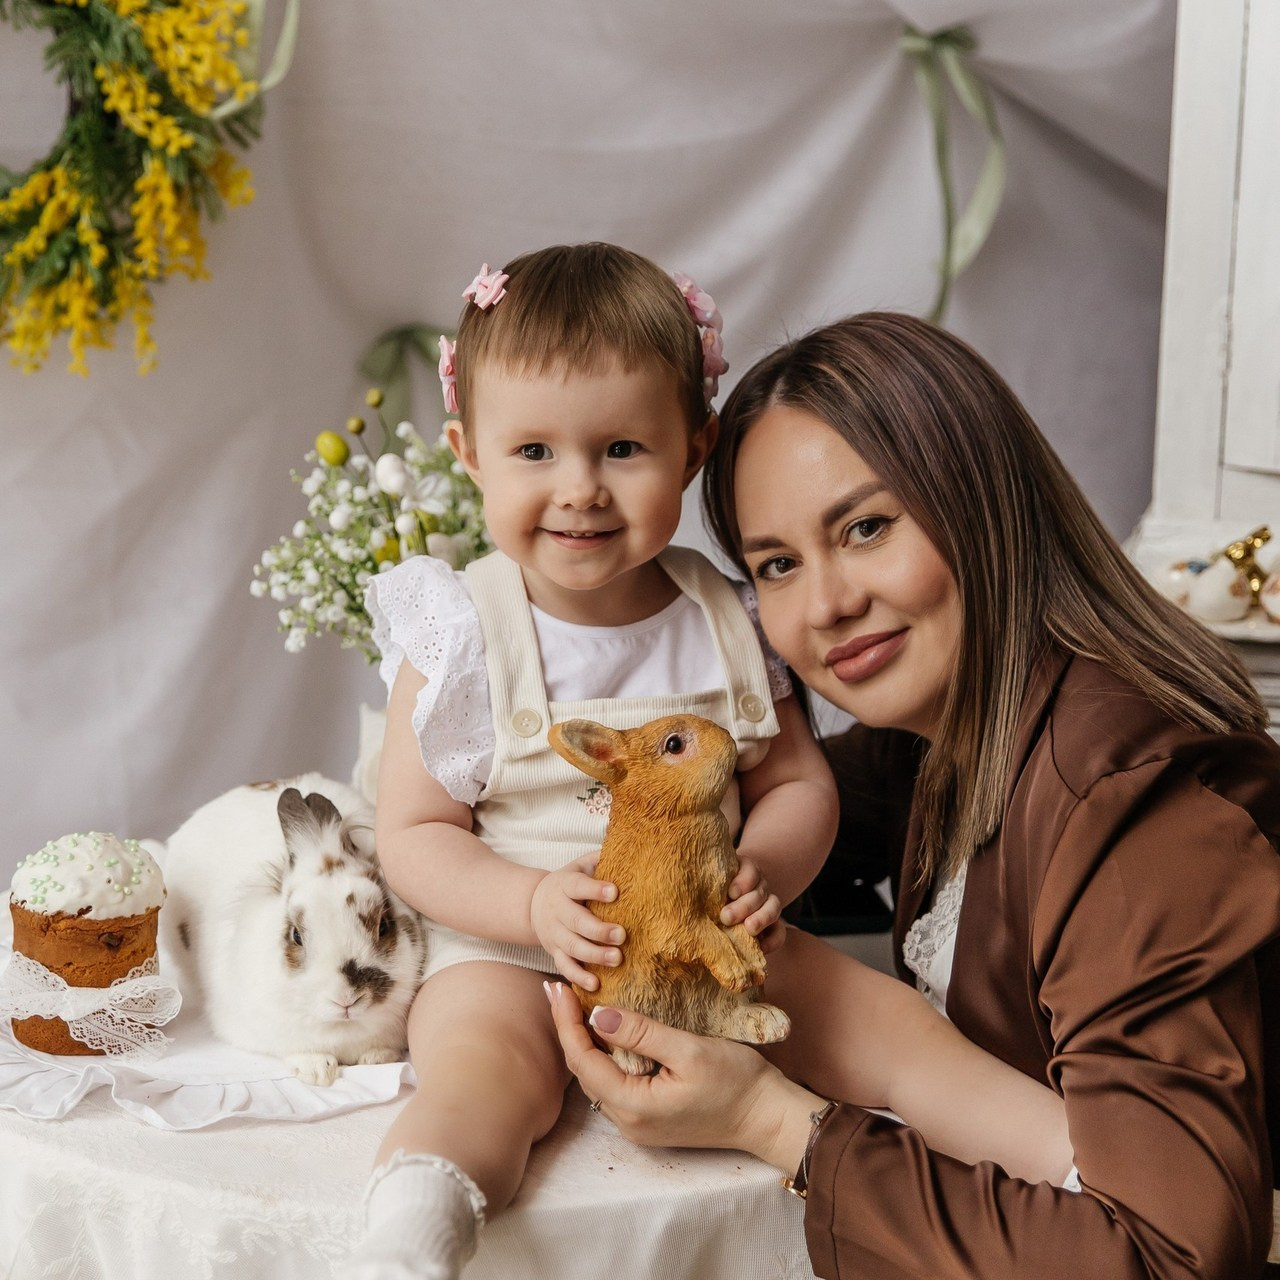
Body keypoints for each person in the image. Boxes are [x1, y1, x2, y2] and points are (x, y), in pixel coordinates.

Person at [550, 311, 1280, 1280]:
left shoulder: (1136, 806)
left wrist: (776, 1122)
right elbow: (757, 818)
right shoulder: (941, 740)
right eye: (775, 563)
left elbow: (1168, 1260)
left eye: (864, 526)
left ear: (981, 499)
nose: (824, 605)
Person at [343, 243, 843, 1280]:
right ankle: (409, 1238)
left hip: (690, 945)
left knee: (819, 1029)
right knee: (488, 1073)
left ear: (694, 446)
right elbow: (417, 832)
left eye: (621, 448)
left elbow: (794, 780)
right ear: (468, 452)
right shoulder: (462, 624)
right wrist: (529, 904)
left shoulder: (726, 613)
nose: (579, 490)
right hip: (512, 951)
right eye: (533, 452)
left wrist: (768, 867)